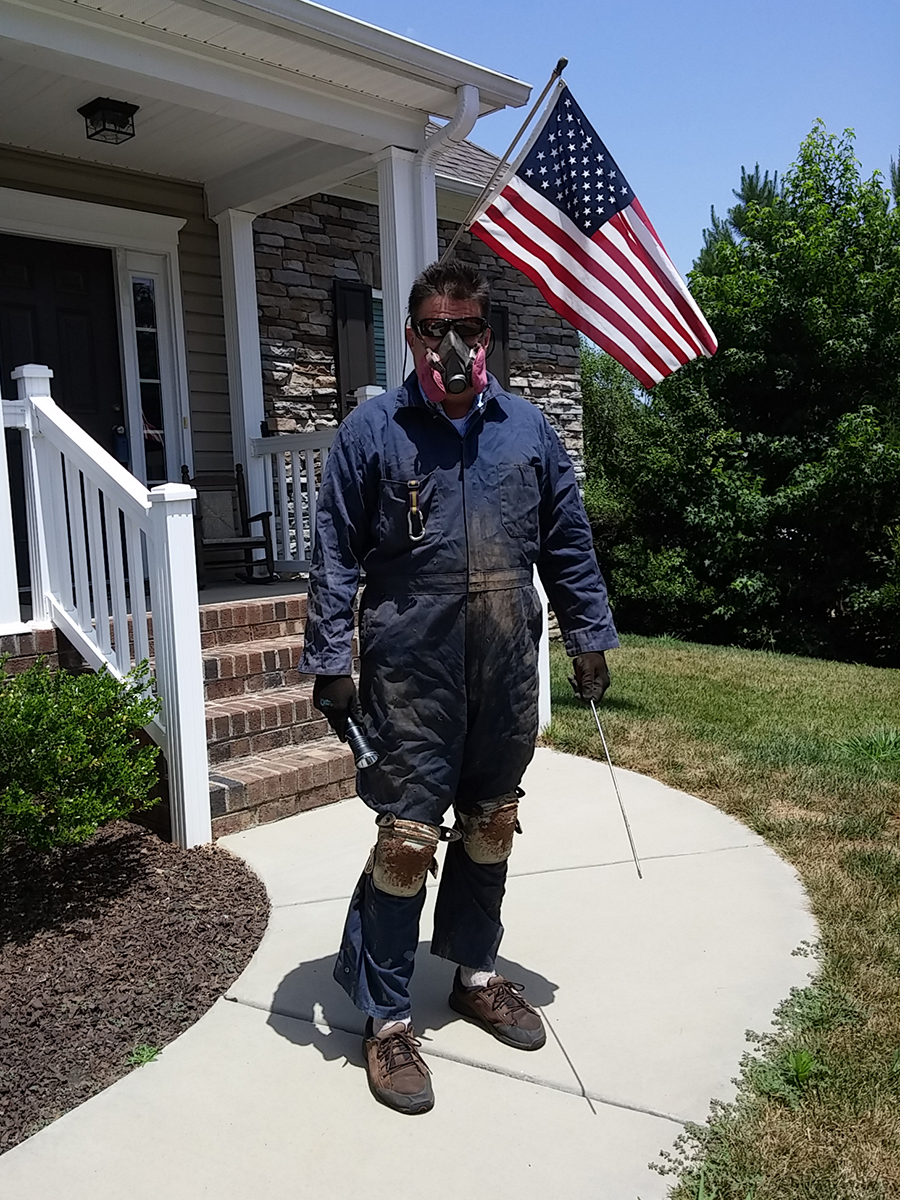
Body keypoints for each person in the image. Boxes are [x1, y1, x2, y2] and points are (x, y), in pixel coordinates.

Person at [299, 259, 618, 1114]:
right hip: (412, 672)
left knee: (490, 825)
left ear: (487, 335)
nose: (451, 345)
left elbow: (569, 542)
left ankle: (475, 973)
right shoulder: (371, 433)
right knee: (406, 842)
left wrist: (587, 634)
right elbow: (333, 556)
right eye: (435, 328)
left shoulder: (527, 432)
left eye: (468, 329)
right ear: (410, 334)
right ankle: (388, 1021)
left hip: (506, 661)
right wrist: (331, 659)